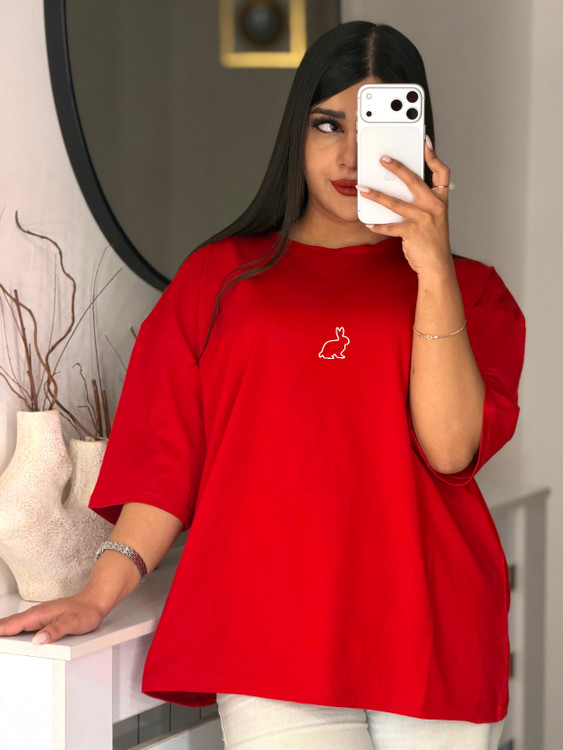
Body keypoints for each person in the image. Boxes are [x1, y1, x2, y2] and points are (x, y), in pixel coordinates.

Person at [0, 21, 525, 750]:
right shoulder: (217, 281)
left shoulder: (473, 292)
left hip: (431, 628)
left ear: (418, 142)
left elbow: (450, 449)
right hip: (267, 634)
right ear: (295, 133)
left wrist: (432, 269)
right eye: (326, 124)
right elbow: (166, 465)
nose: (349, 156)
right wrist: (95, 596)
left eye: (373, 128)